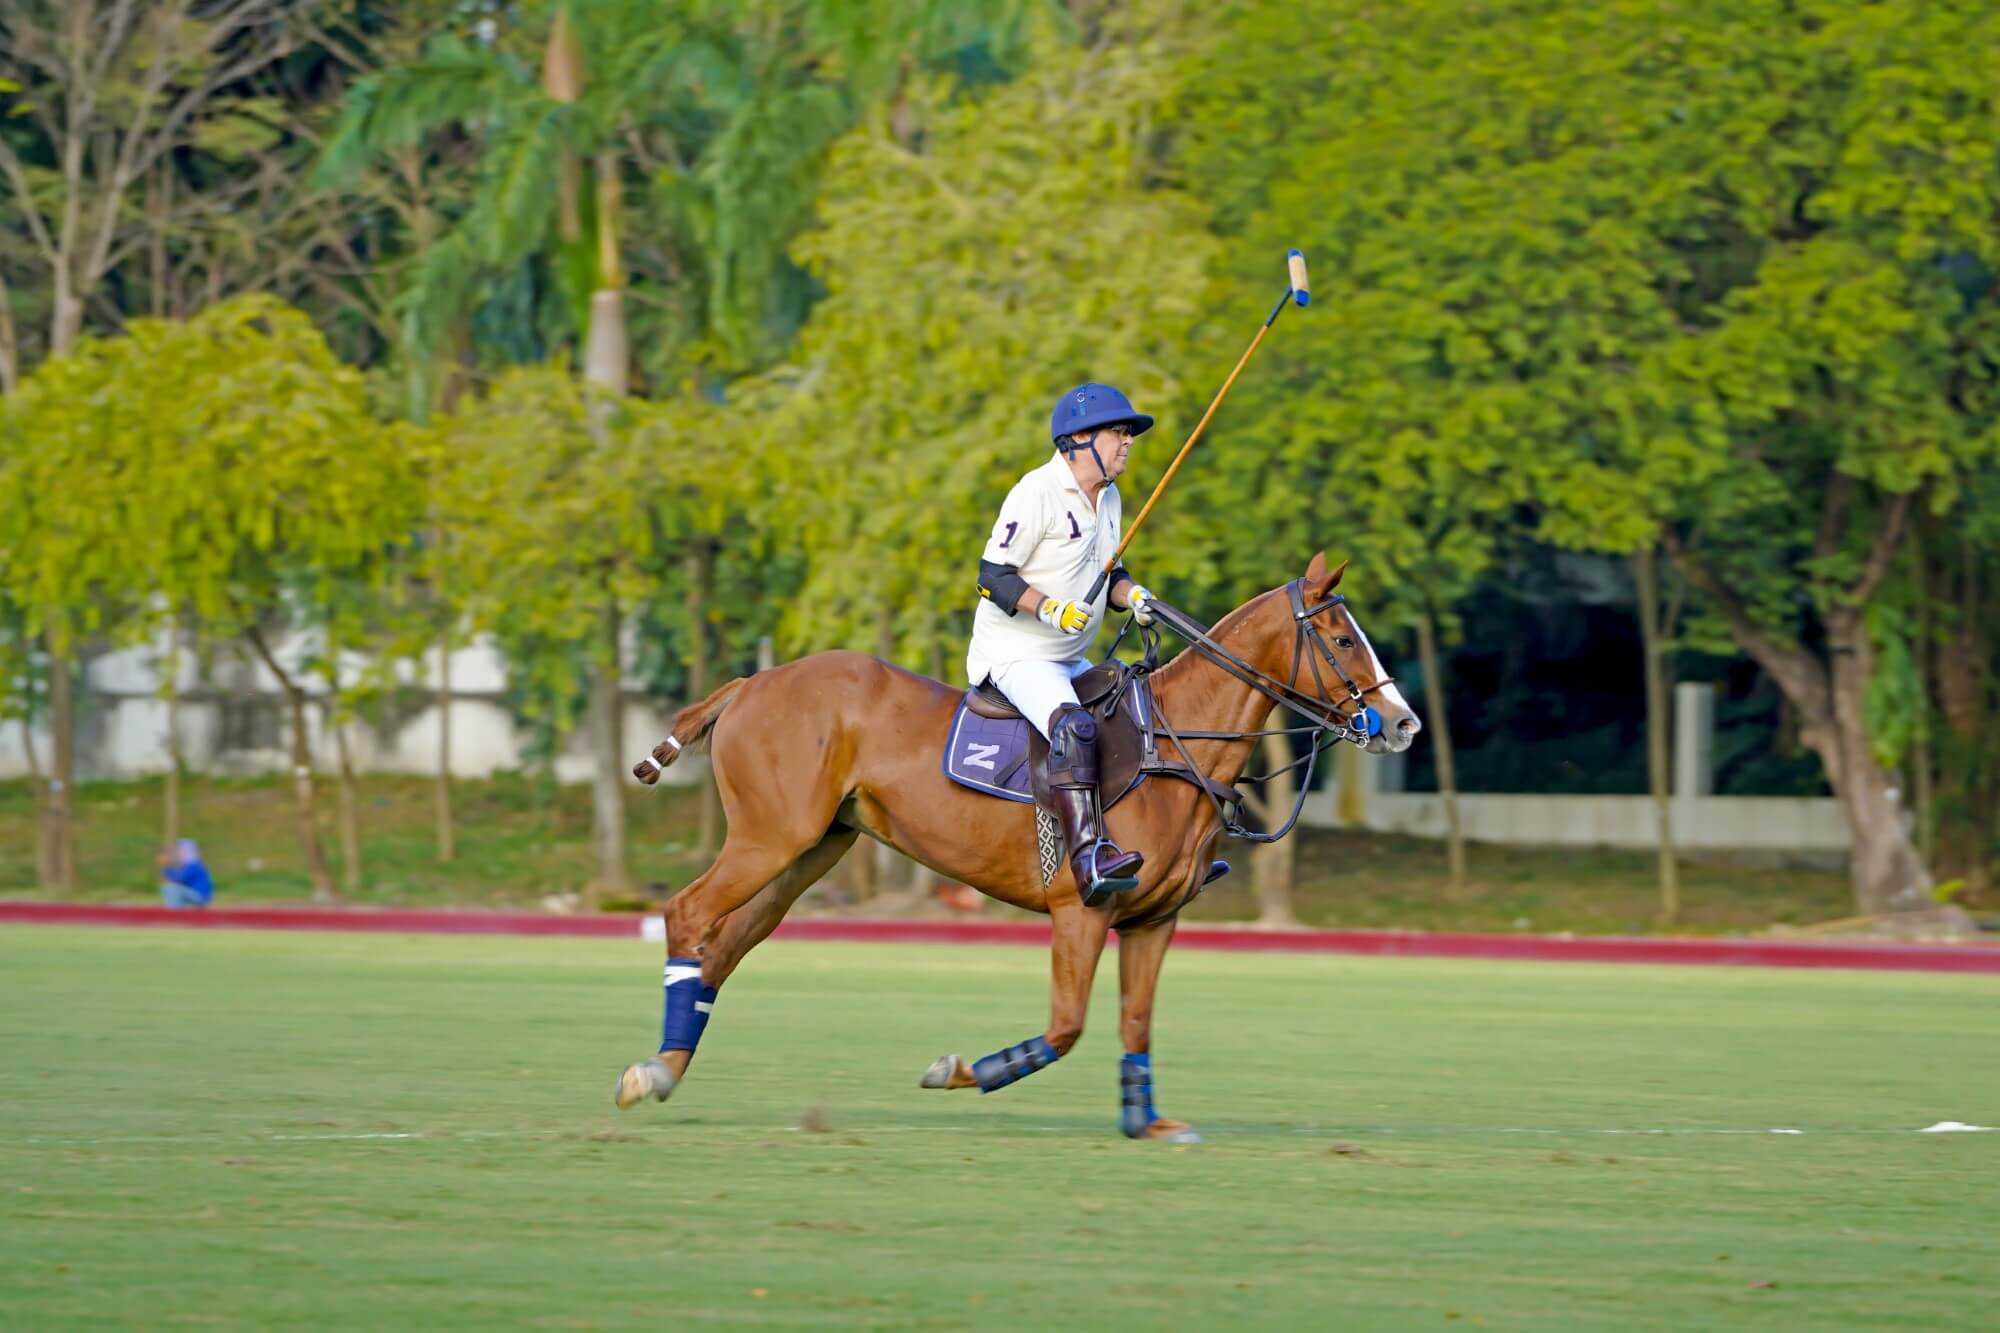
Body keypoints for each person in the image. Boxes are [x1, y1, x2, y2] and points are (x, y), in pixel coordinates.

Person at [968, 383, 1163, 906]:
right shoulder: (1035, 492)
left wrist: (1132, 594)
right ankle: (1088, 856)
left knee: (1140, 706)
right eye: (1117, 431)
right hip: (1015, 655)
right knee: (1076, 727)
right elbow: (992, 577)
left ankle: (1162, 847)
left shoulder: (1111, 497)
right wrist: (1049, 607)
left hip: (1068, 656)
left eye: (1128, 433)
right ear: (1078, 438)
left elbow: (1109, 572)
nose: (1127, 442)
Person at [157, 838, 215, 909]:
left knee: (170, 888)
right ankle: (177, 910)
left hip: (201, 896)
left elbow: (180, 878)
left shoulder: (194, 864)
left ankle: (175, 912)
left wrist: (167, 867)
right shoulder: (190, 864)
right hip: (196, 894)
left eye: (180, 851)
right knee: (169, 888)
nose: (178, 853)